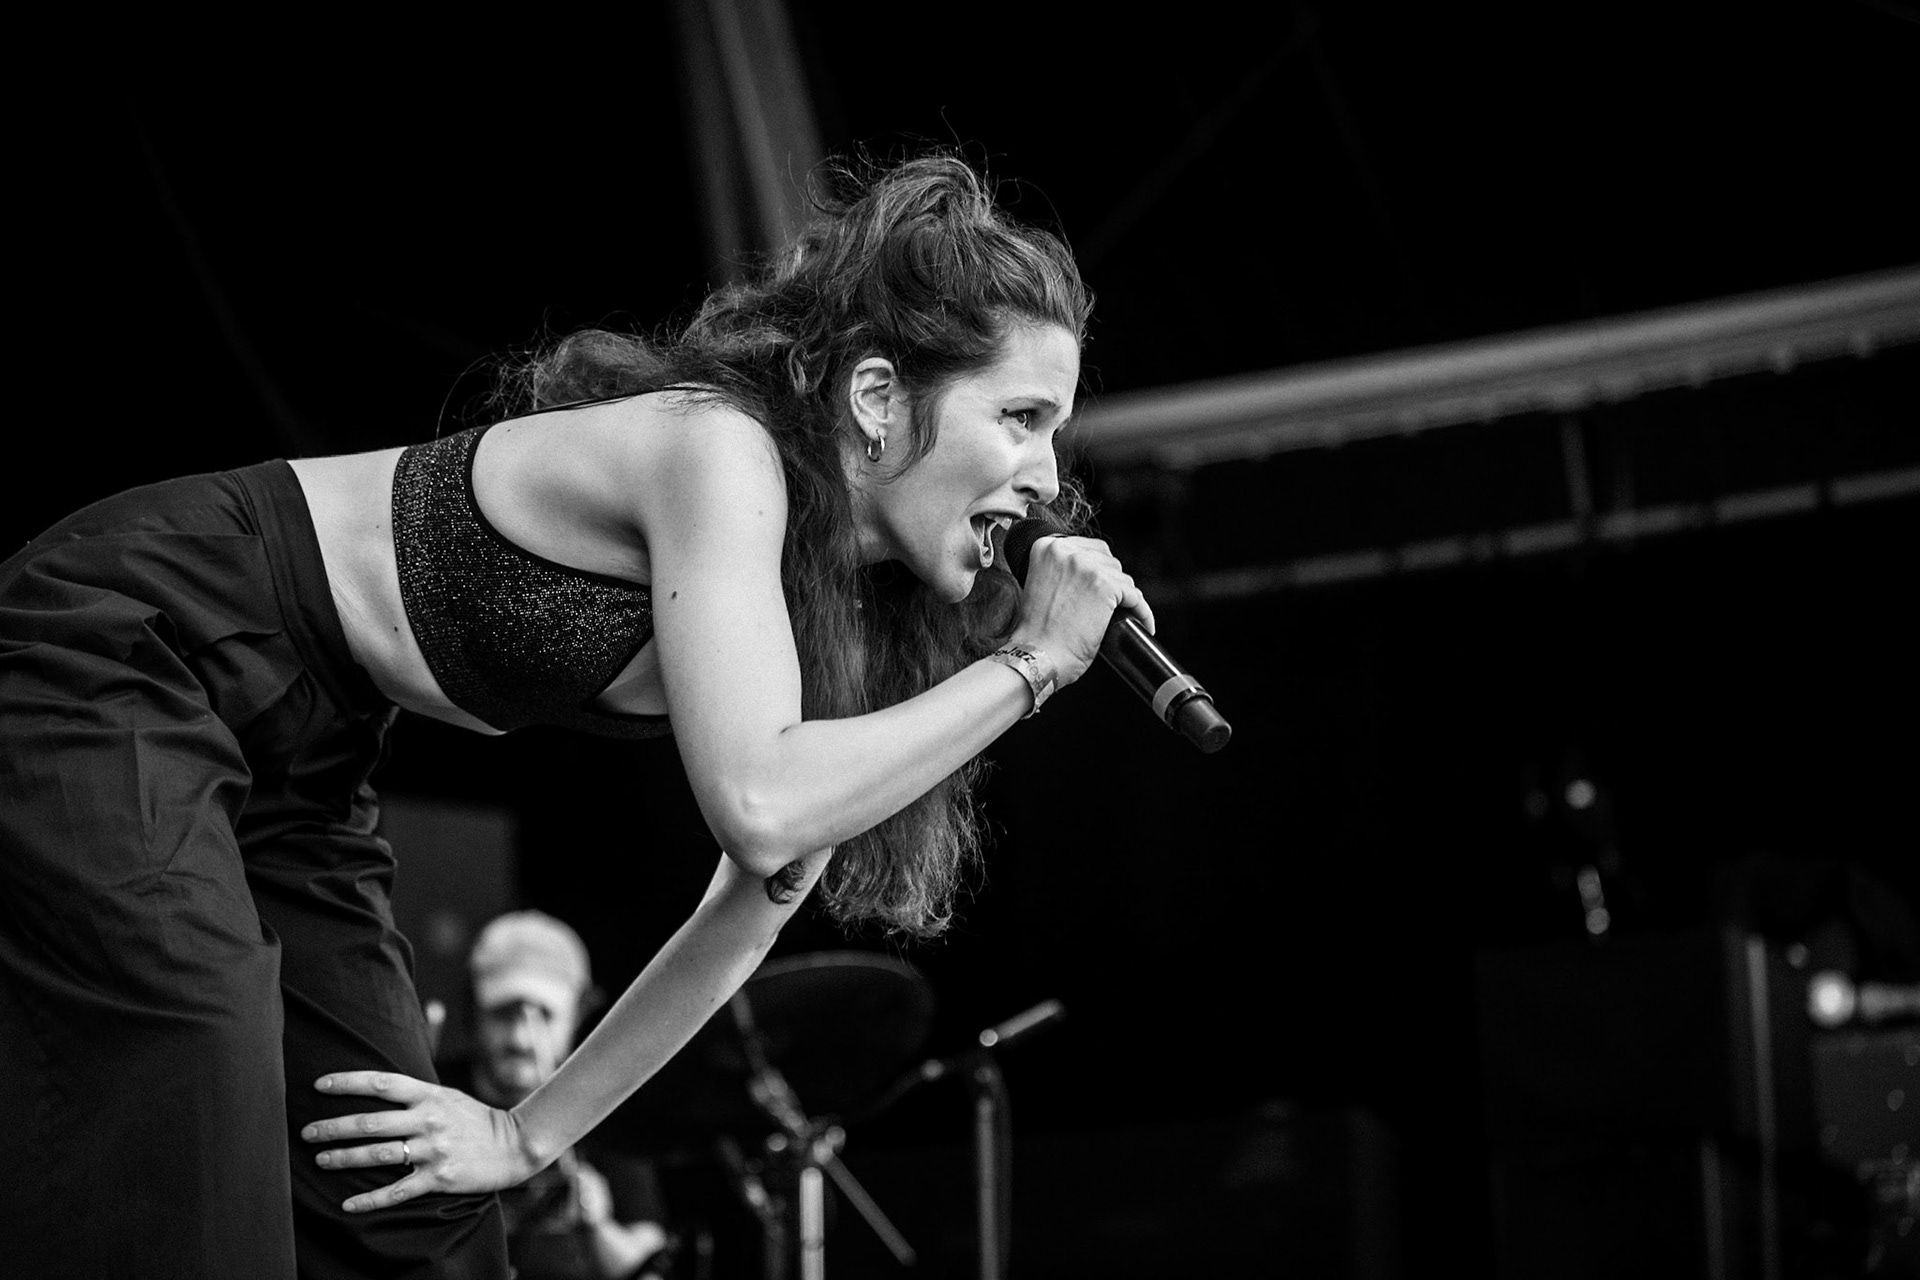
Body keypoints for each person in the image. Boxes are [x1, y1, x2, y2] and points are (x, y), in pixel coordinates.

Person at [0, 151, 1148, 1279]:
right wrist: (1034, 661)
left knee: (415, 1211)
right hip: (142, 635)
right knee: (190, 1085)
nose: (1049, 475)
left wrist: (523, 1134)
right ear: (879, 398)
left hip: (309, 757)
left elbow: (760, 892)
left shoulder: (823, 606)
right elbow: (760, 801)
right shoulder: (719, 449)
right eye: (1022, 415)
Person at [459, 911, 675, 1280]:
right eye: (503, 1014)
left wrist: (599, 1226)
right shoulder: (438, 1097)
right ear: (472, 1010)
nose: (521, 1039)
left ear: (579, 1011)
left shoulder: (608, 1111)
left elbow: (649, 1272)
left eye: (544, 1015)